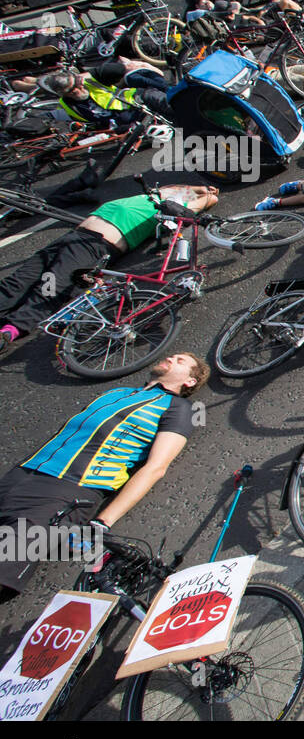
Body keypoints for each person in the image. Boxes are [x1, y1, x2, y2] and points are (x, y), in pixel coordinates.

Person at [0, 352, 210, 599]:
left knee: (5, 564)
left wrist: (103, 522)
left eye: (181, 361)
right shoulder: (116, 393)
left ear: (190, 381)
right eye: (173, 355)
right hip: (20, 475)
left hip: (65, 492)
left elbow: (156, 467)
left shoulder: (180, 408)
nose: (172, 358)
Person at [0, 185, 220, 354]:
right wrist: (195, 188)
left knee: (50, 289)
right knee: (16, 282)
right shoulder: (149, 197)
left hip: (97, 245)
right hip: (73, 237)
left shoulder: (167, 209)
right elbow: (175, 189)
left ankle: (9, 332)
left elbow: (207, 199)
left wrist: (208, 193)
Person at [39, 59, 173, 130]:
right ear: (63, 94)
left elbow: (135, 66)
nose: (77, 89)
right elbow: (47, 119)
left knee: (141, 83)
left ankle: (175, 95)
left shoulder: (93, 77)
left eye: (76, 84)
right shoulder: (65, 106)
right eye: (71, 90)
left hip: (138, 100)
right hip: (127, 125)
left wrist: (160, 78)